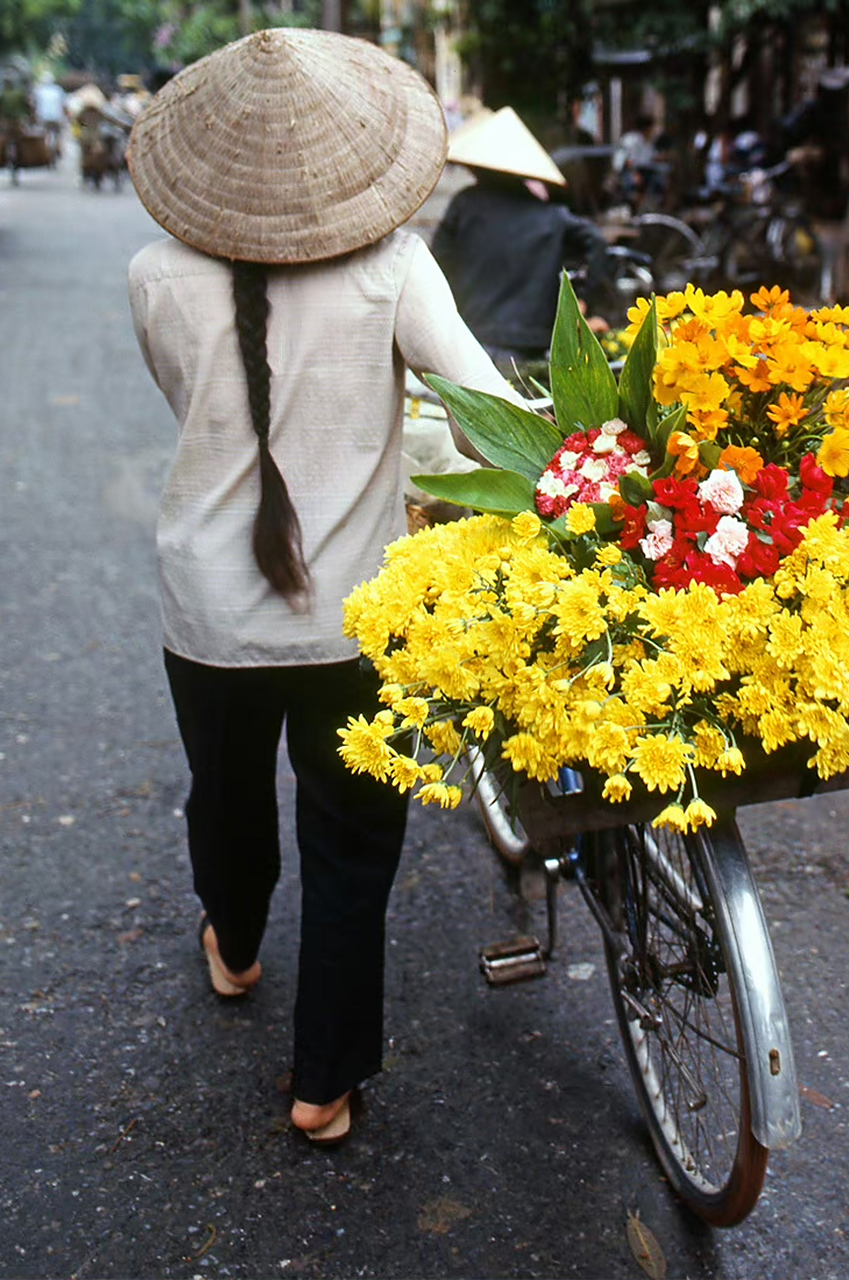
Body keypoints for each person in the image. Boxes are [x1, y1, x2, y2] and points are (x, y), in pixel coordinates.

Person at [125, 28, 516, 1147]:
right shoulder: (393, 262)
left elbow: (183, 401)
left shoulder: (152, 273)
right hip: (359, 617)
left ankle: (235, 947)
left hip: (206, 607)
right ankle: (322, 1083)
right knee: (351, 849)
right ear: (341, 158)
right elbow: (484, 404)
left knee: (227, 795)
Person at [432, 105, 610, 371]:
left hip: (471, 334)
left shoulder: (465, 204)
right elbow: (595, 241)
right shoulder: (553, 216)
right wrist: (585, 296)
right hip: (529, 340)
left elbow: (438, 262)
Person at [0, 74, 31, 184]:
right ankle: (19, 161)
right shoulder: (20, 94)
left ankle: (6, 157)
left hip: (6, 124)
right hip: (18, 123)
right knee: (20, 144)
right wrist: (30, 118)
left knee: (4, 143)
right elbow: (27, 108)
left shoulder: (1, 95)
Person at [33, 70, 67, 163]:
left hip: (43, 118)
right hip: (57, 117)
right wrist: (64, 118)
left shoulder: (39, 90)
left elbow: (34, 105)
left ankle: (46, 150)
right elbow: (63, 105)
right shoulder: (58, 90)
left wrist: (35, 117)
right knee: (59, 134)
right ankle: (58, 148)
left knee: (45, 134)